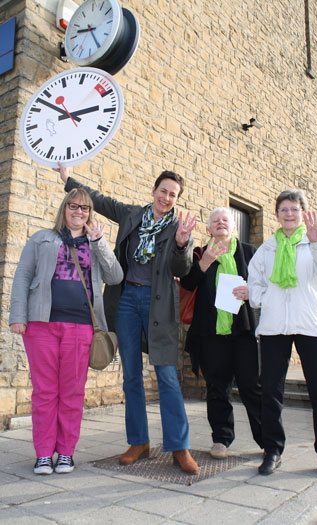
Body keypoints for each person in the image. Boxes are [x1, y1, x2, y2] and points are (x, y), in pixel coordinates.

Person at [58, 165, 199, 474]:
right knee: (131, 374)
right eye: (163, 191)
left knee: (167, 375)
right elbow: (99, 200)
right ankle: (139, 442)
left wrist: (180, 243)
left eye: (173, 194)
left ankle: (179, 446)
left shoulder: (177, 229)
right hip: (126, 300)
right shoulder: (132, 214)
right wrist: (68, 178)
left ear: (177, 199)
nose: (166, 197)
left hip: (158, 304)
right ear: (154, 191)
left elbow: (181, 269)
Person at [9, 189, 123, 475]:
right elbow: (23, 276)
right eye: (73, 206)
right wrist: (17, 316)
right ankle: (44, 454)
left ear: (89, 214)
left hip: (82, 326)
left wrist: (100, 242)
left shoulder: (94, 243)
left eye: (84, 208)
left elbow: (115, 276)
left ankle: (66, 453)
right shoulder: (41, 239)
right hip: (41, 324)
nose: (78, 212)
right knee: (45, 391)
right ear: (64, 208)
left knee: (71, 392)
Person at [248, 189, 317, 480]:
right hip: (274, 327)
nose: (289, 214)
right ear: (277, 214)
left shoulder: (315, 242)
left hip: (311, 327)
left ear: (302, 213)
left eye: (294, 209)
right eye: (284, 210)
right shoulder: (267, 249)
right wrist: (266, 300)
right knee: (271, 392)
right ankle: (273, 450)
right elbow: (254, 285)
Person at [180, 207, 262, 459]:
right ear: (208, 229)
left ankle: (267, 439)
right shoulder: (198, 254)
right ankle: (221, 440)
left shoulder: (250, 253)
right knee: (217, 388)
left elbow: (265, 284)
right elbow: (186, 283)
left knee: (252, 386)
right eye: (214, 221)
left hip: (243, 331)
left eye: (225, 220)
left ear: (233, 226)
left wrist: (251, 291)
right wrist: (203, 264)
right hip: (211, 334)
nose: (220, 223)